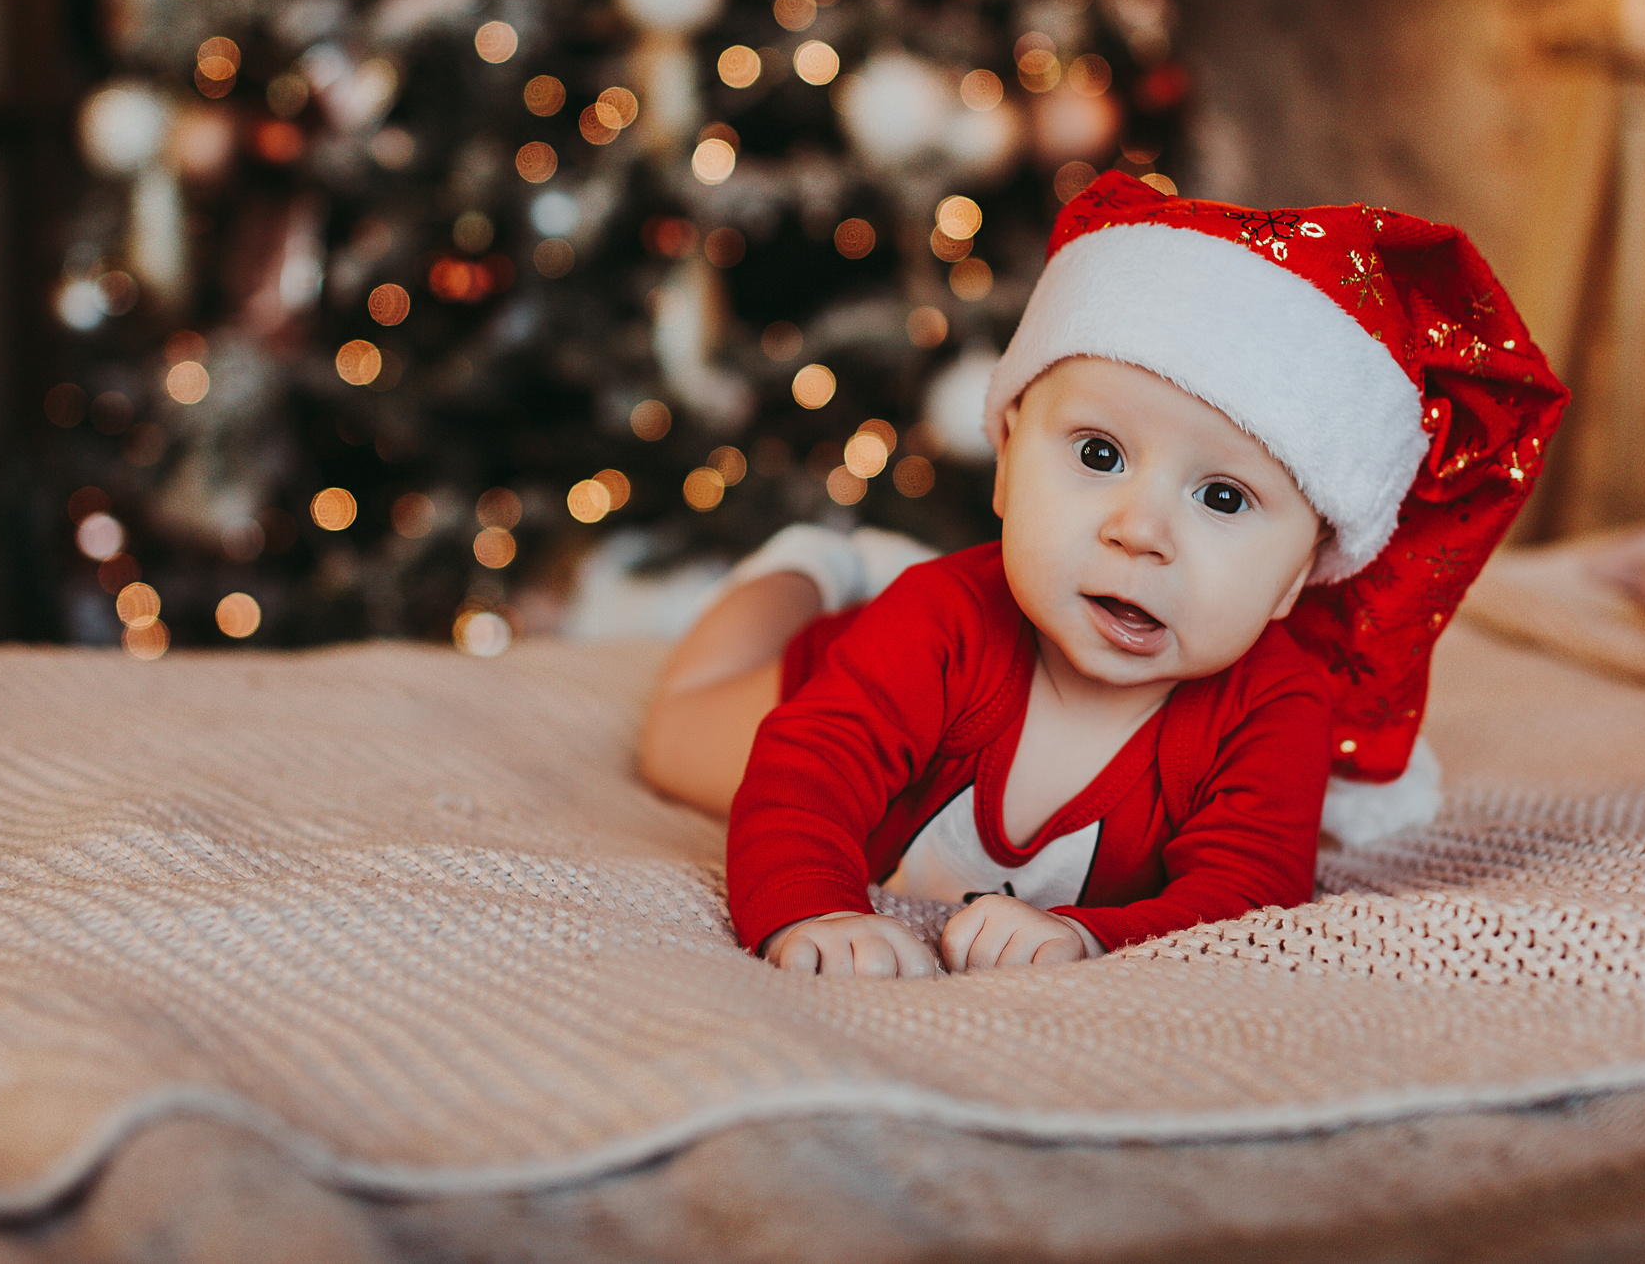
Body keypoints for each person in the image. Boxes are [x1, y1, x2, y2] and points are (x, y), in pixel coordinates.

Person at [638, 172, 1566, 977]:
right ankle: (818, 562)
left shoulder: (1277, 706)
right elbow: (805, 774)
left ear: (1299, 579)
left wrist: (1088, 937)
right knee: (678, 738)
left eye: (1225, 499)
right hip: (835, 674)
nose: (1141, 532)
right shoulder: (939, 620)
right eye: (1098, 452)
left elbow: (1244, 891)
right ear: (1004, 463)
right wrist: (814, 908)